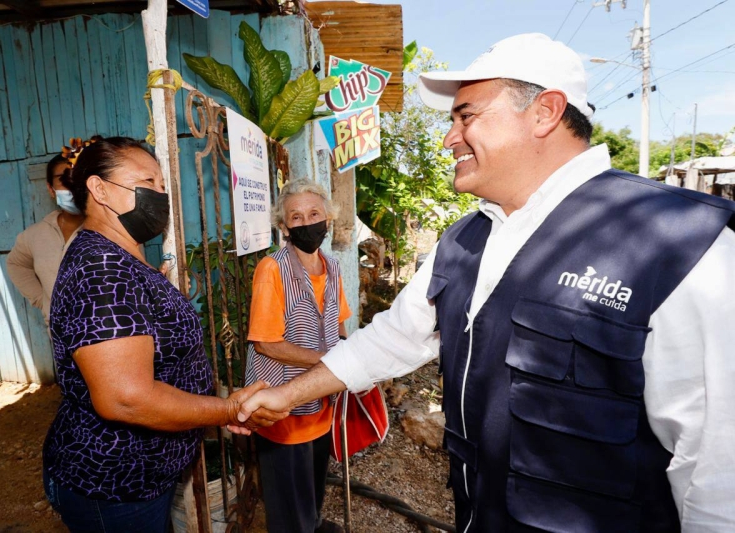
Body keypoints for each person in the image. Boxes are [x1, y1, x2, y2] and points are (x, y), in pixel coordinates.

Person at [237, 33, 735, 533]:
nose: (450, 138)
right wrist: (286, 394)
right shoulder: (465, 240)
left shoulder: (679, 247)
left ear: (545, 112)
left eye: (466, 117)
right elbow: (393, 339)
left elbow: (716, 472)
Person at [43, 136, 286, 533]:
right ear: (99, 189)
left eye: (161, 185)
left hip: (145, 473)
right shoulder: (103, 269)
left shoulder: (118, 256)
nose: (160, 194)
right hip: (115, 484)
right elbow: (126, 398)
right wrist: (225, 410)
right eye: (148, 182)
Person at [245, 178, 350, 533]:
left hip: (319, 403)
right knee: (289, 507)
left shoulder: (332, 267)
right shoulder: (271, 269)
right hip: (283, 409)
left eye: (314, 213)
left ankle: (314, 523)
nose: (307, 223)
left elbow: (339, 326)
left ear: (328, 217)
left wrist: (351, 359)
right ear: (284, 226)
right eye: (296, 217)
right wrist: (332, 364)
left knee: (313, 487)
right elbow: (266, 343)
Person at [7, 153, 84, 325]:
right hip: (61, 336)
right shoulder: (35, 235)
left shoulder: (111, 229)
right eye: (63, 179)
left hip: (108, 335)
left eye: (78, 177)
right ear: (51, 189)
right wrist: (43, 302)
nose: (72, 185)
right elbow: (16, 264)